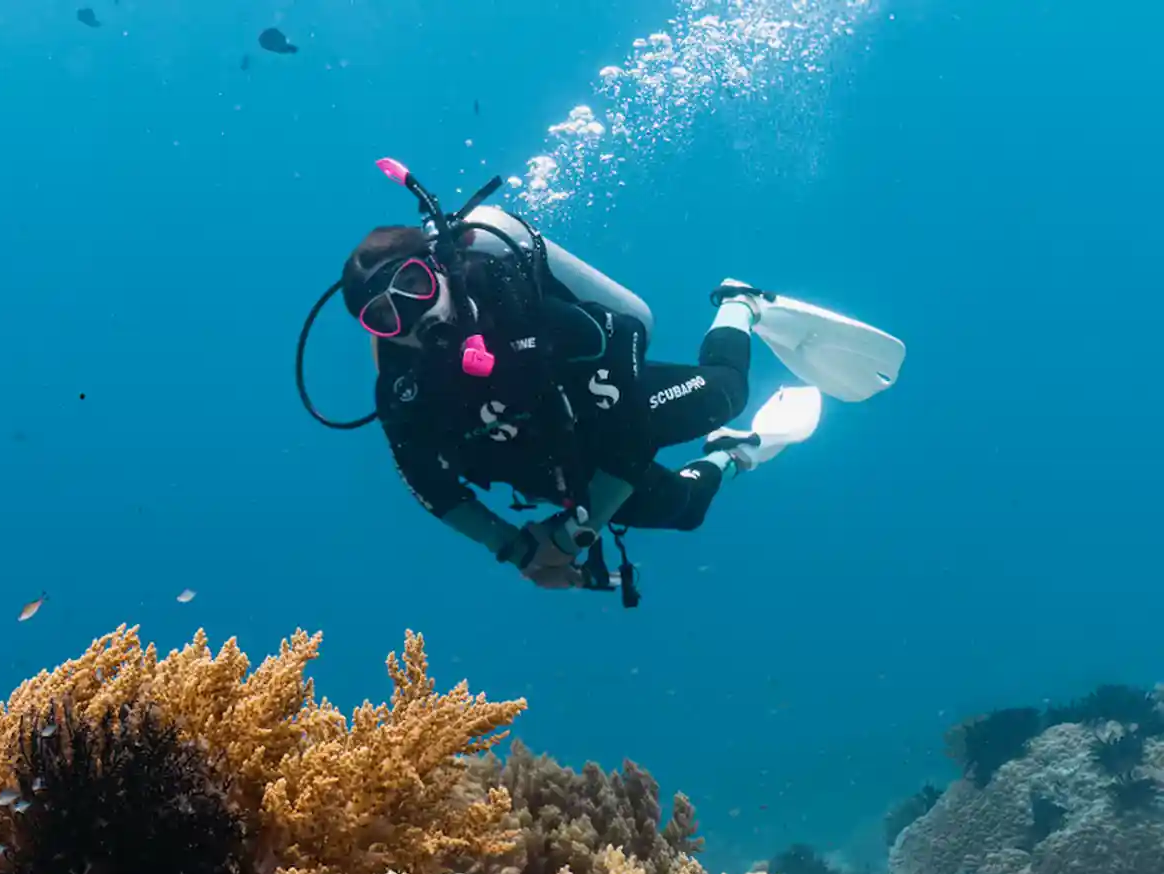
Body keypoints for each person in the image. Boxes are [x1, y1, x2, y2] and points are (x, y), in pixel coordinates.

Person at [295, 160, 904, 603]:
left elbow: (622, 343)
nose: (415, 317)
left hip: (611, 396)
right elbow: (429, 484)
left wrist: (573, 531)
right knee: (681, 509)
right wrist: (517, 548)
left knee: (726, 393)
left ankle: (740, 304)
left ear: (440, 270)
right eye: (386, 316)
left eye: (417, 289)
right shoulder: (403, 390)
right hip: (545, 455)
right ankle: (737, 454)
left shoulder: (508, 299)